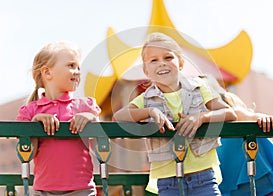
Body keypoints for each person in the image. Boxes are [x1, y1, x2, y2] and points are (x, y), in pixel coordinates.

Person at [113, 32, 237, 196]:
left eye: (168, 57)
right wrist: (150, 111)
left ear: (181, 63)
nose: (162, 64)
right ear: (146, 70)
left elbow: (229, 113)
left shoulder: (200, 89)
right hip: (167, 181)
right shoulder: (146, 99)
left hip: (203, 177)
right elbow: (119, 116)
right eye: (154, 60)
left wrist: (201, 117)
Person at [16, 41, 101, 196]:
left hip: (82, 189)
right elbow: (28, 153)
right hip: (44, 190)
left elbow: (100, 149)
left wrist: (91, 119)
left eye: (78, 67)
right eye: (71, 66)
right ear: (47, 73)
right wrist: (34, 125)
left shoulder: (85, 106)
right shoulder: (30, 111)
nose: (77, 72)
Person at [208, 76, 273, 196]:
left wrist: (263, 118)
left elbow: (252, 117)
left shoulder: (233, 113)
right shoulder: (200, 121)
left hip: (259, 181)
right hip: (228, 182)